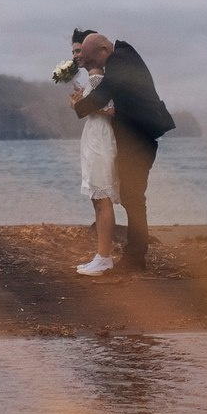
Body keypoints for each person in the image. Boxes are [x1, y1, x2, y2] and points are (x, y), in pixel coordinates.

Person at [70, 31, 173, 272]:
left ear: (105, 50)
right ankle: (135, 256)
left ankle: (135, 258)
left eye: (97, 61)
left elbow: (99, 98)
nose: (98, 67)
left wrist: (77, 104)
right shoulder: (122, 56)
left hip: (141, 141)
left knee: (133, 198)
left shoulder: (119, 63)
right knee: (131, 197)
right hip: (136, 139)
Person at [64, 29, 120, 276]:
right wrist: (81, 101)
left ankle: (104, 257)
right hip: (95, 139)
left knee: (101, 199)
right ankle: (101, 255)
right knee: (98, 200)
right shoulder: (93, 81)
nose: (78, 57)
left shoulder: (98, 79)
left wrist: (78, 104)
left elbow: (110, 109)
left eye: (81, 52)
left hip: (100, 141)